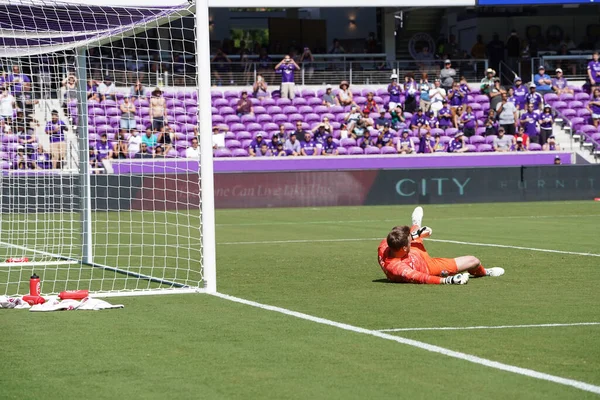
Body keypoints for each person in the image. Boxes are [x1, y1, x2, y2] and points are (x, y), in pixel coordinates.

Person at [377, 207, 504, 285]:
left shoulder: (386, 244)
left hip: (413, 254)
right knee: (474, 261)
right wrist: (448, 280)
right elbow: (422, 278)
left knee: (416, 236)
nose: (410, 241)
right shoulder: (398, 268)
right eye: (409, 241)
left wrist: (416, 235)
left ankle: (416, 225)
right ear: (404, 247)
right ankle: (484, 272)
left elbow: (400, 237)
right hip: (427, 267)